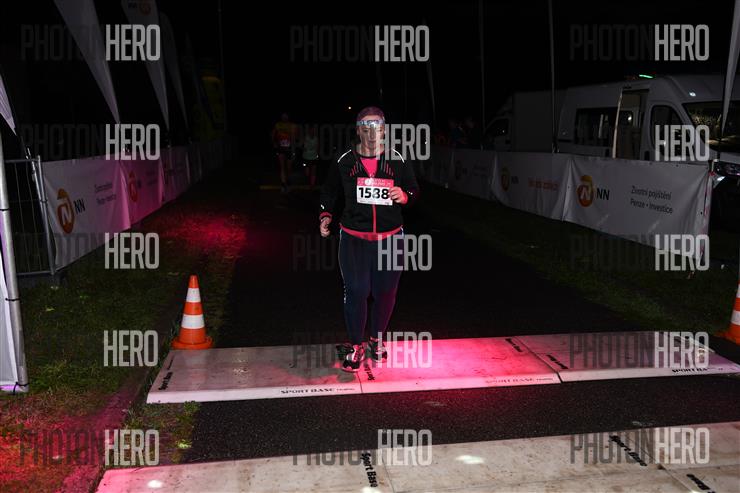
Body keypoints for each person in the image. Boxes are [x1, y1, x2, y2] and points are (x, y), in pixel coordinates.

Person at [319, 106, 420, 372]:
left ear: (384, 130)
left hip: (390, 239)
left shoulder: (397, 158)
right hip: (354, 238)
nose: (372, 131)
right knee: (357, 291)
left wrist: (405, 196)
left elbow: (413, 190)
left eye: (377, 125)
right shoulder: (344, 159)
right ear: (358, 130)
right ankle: (356, 345)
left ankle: (376, 339)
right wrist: (325, 215)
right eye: (366, 125)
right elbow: (329, 190)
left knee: (385, 293)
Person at [272, 113, 296, 193]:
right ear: (281, 117)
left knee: (289, 168)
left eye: (286, 116)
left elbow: (294, 137)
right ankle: (283, 184)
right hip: (280, 148)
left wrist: (293, 149)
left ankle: (288, 183)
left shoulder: (292, 125)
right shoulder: (278, 125)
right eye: (283, 116)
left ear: (288, 117)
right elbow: (273, 134)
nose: (284, 117)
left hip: (289, 148)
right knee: (282, 167)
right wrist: (274, 142)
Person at [301, 124, 319, 189]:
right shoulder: (305, 137)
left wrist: (317, 155)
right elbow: (302, 146)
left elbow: (318, 147)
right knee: (307, 173)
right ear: (309, 131)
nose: (312, 132)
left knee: (313, 171)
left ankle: (312, 185)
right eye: (311, 130)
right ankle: (307, 181)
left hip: (314, 157)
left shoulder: (316, 138)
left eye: (313, 130)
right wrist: (303, 148)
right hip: (306, 157)